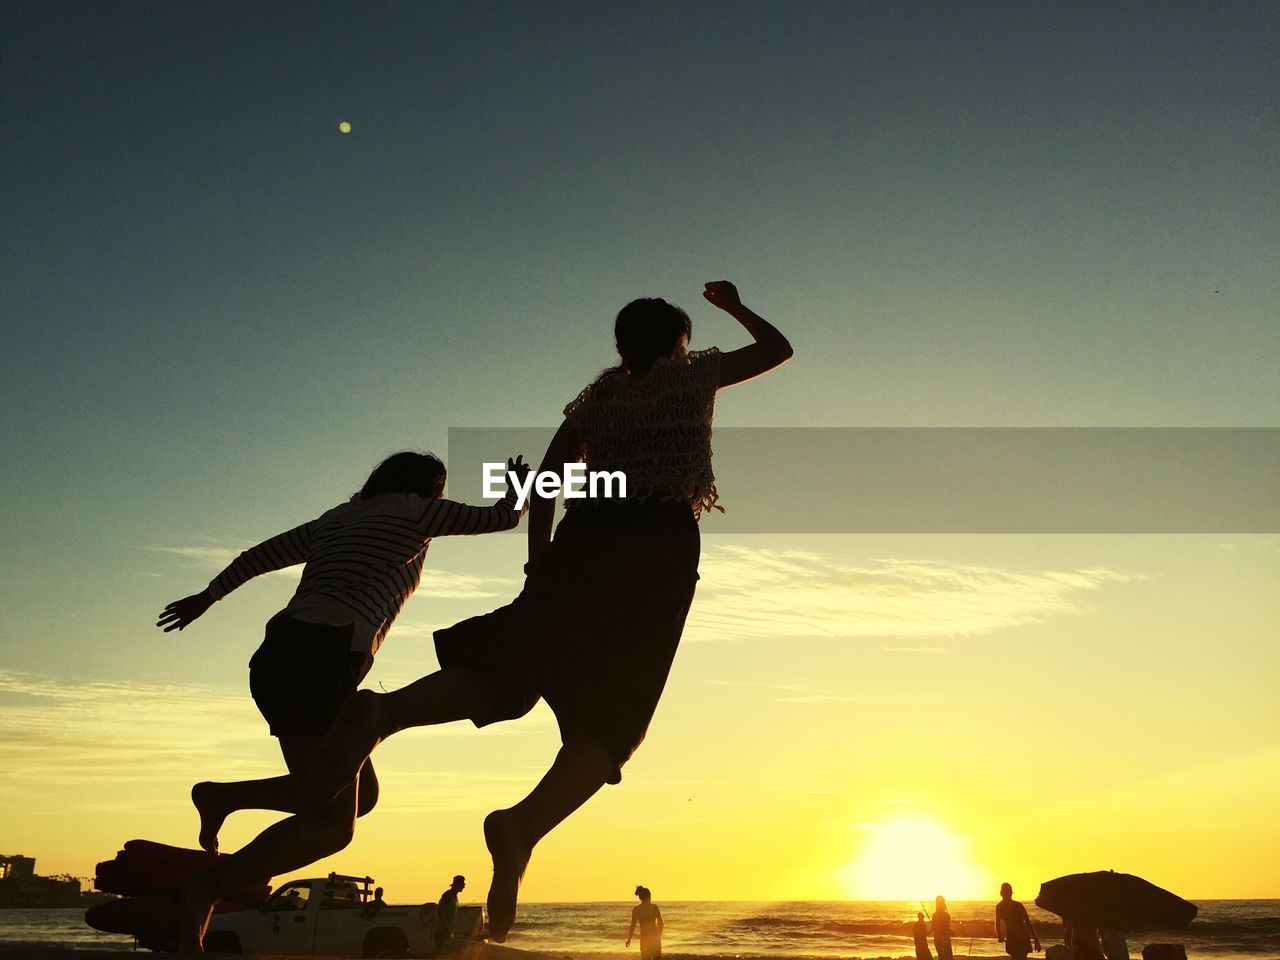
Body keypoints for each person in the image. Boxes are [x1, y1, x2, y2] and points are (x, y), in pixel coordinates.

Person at [309, 281, 793, 941]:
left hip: (586, 538)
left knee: (515, 660)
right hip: (657, 546)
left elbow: (548, 483)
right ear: (679, 344)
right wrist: (733, 307)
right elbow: (778, 348)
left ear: (621, 344)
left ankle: (384, 712)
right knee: (617, 712)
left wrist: (539, 567)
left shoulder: (598, 401)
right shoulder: (696, 376)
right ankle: (522, 827)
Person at [157, 451, 529, 951]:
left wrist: (207, 597)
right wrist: (521, 489)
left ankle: (224, 798)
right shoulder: (417, 510)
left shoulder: (337, 518)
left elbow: (258, 556)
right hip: (322, 657)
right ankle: (206, 887)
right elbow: (502, 518)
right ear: (428, 488)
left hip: (279, 656)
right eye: (439, 488)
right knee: (331, 825)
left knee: (358, 795)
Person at [996, 883, 1041, 959]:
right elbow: (1028, 923)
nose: (1007, 895)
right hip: (1013, 937)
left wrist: (1036, 940)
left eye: (1007, 892)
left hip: (1020, 937)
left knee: (1019, 957)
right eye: (1006, 892)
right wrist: (1000, 936)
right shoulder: (1012, 906)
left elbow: (1027, 922)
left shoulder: (1013, 906)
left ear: (1001, 893)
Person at [626, 886, 663, 960]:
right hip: (655, 938)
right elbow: (661, 923)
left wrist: (629, 939)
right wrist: (659, 935)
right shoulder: (654, 907)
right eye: (650, 896)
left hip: (644, 939)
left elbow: (633, 925)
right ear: (648, 896)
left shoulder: (637, 909)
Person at [434, 875, 466, 949]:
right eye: (462, 885)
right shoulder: (448, 895)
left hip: (448, 932)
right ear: (458, 885)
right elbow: (440, 911)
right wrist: (446, 928)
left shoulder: (454, 896)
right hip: (442, 932)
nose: (463, 887)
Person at [932, 896, 954, 960]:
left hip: (937, 937)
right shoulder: (946, 915)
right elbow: (947, 928)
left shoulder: (934, 915)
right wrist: (952, 932)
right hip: (945, 938)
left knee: (941, 956)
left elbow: (933, 928)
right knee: (948, 956)